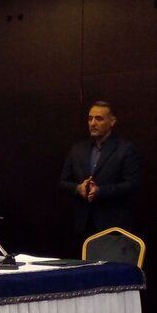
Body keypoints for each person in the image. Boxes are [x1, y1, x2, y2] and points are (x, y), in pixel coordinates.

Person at [59, 101, 141, 243]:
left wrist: (100, 191)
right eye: (90, 118)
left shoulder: (125, 149)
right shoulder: (77, 149)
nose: (93, 123)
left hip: (112, 225)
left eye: (99, 119)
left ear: (112, 121)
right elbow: (62, 182)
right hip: (82, 224)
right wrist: (78, 188)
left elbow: (132, 185)